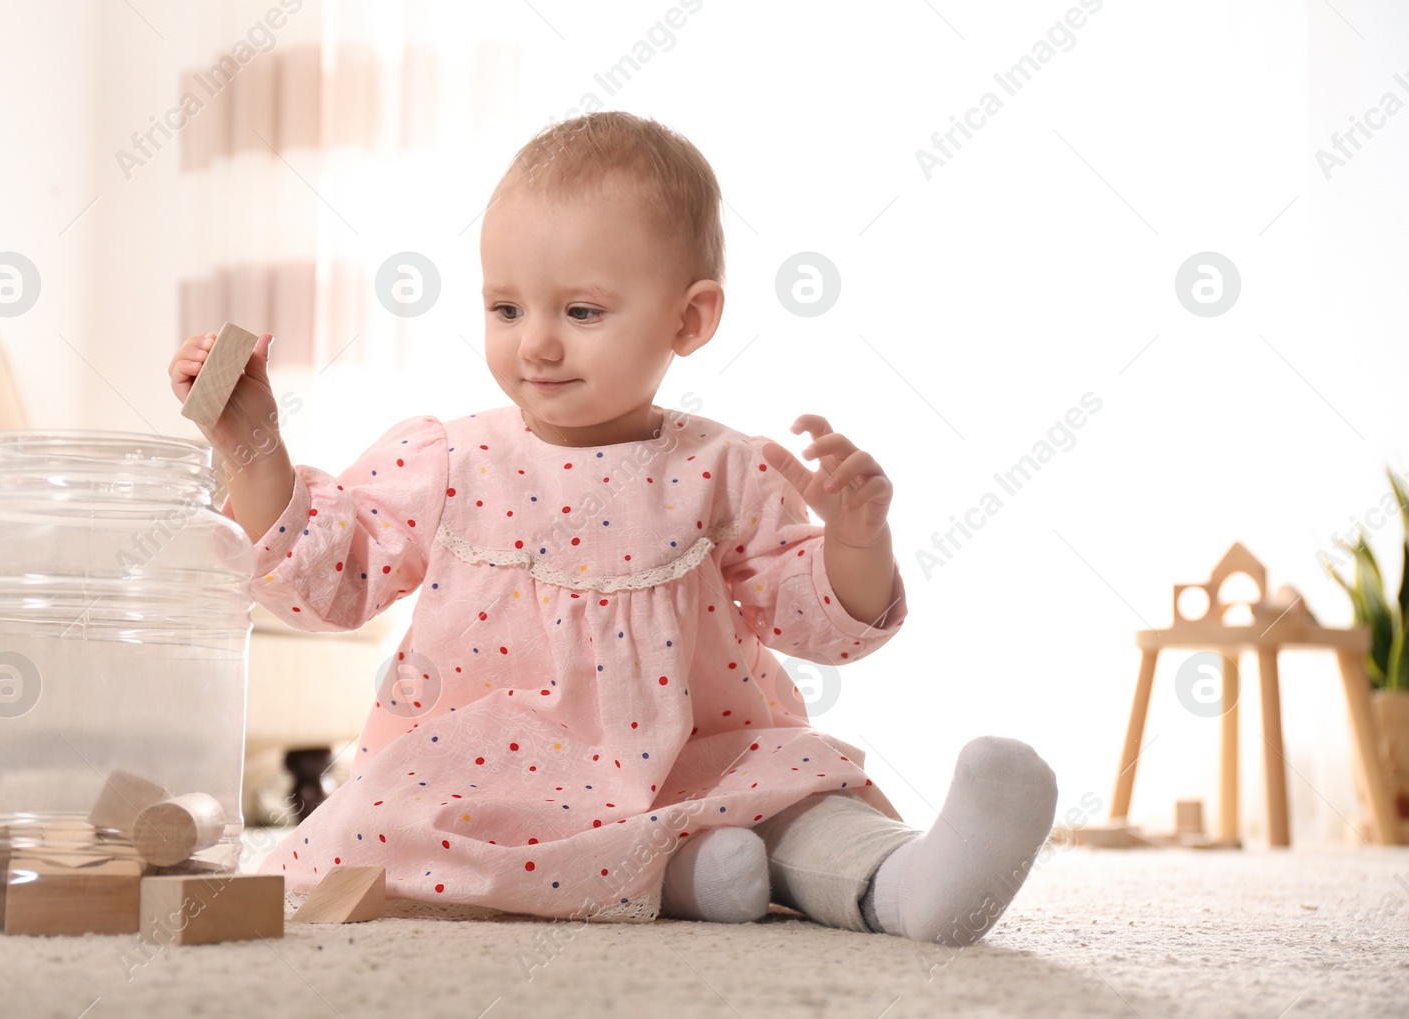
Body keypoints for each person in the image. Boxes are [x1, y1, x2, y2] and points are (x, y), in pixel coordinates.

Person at [167, 111, 1056, 944]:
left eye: (580, 312)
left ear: (690, 318)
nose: (537, 344)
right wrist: (254, 446)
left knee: (796, 800)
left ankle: (907, 884)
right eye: (507, 309)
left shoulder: (720, 468)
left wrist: (858, 540)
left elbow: (816, 622)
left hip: (697, 754)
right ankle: (684, 873)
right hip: (495, 775)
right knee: (422, 832)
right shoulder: (452, 458)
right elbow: (332, 578)